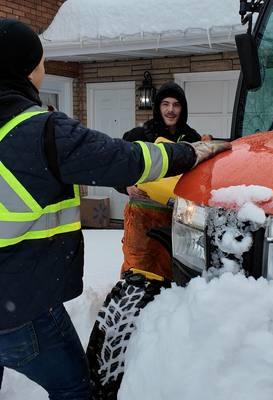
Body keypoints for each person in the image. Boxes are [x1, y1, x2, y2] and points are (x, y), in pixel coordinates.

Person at [0, 19, 231, 399]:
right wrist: (190, 154)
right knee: (76, 388)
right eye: (43, 61)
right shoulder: (38, 130)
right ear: (28, 68)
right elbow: (121, 159)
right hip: (19, 305)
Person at [120, 81, 205, 280]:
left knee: (171, 266)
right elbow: (119, 165)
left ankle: (165, 309)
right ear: (158, 107)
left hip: (177, 216)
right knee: (138, 265)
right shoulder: (140, 135)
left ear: (182, 109)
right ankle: (134, 304)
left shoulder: (193, 139)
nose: (170, 110)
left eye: (176, 105)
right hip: (142, 213)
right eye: (165, 104)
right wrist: (126, 186)